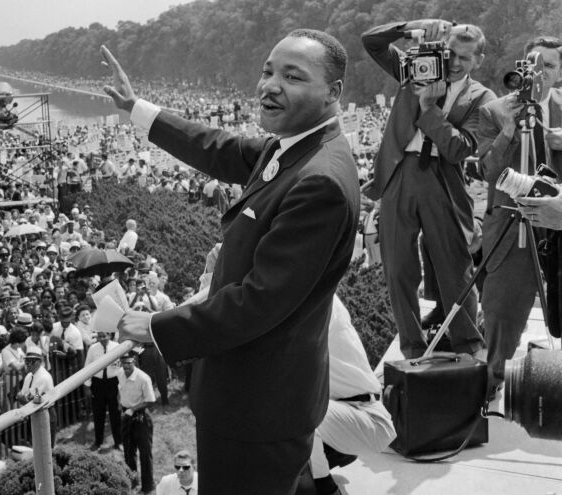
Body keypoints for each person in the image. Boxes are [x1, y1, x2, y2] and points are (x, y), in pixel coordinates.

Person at [105, 27, 360, 494]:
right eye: (267, 71)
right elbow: (218, 147)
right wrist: (136, 108)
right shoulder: (295, 147)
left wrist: (159, 326)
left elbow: (259, 301)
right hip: (251, 395)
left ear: (333, 92)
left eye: (292, 76)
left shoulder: (319, 180)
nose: (271, 85)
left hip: (259, 407)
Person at [361, 19, 493, 359]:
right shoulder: (415, 68)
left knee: (455, 268)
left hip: (443, 180)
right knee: (398, 268)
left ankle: (468, 346)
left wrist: (428, 109)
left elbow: (460, 149)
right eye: (451, 53)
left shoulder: (482, 98)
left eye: (465, 57)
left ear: (478, 60)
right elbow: (372, 42)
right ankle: (412, 348)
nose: (455, 62)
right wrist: (412, 27)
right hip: (398, 173)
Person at [478, 36, 562, 394]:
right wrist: (510, 130)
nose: (540, 72)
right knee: (502, 308)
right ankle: (492, 381)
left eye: (550, 65)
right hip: (511, 221)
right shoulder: (495, 111)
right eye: (534, 62)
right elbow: (488, 171)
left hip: (559, 219)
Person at [310, 295, 396, 494]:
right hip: (342, 411)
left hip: (366, 416)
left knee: (296, 409)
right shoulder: (308, 292)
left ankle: (325, 488)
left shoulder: (317, 303)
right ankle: (326, 455)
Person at [117, 352, 155, 493]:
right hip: (126, 416)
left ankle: (148, 487)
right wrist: (120, 404)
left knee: (145, 453)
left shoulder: (143, 378)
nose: (126, 366)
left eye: (129, 362)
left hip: (141, 417)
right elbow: (120, 389)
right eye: (123, 362)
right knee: (128, 452)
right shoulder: (120, 374)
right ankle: (132, 483)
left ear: (135, 361)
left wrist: (133, 409)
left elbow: (151, 401)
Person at [84, 331, 122, 451]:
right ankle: (98, 441)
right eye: (100, 336)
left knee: (115, 413)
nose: (102, 338)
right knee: (98, 414)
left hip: (113, 383)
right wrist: (87, 386)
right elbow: (88, 367)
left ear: (109, 336)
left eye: (104, 336)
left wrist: (121, 387)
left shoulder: (117, 347)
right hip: (98, 384)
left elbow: (120, 368)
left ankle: (118, 442)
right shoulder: (93, 349)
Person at [15, 349, 56, 445]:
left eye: (32, 361)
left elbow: (34, 402)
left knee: (46, 446)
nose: (28, 364)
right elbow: (24, 395)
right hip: (34, 413)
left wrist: (21, 399)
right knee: (35, 444)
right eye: (26, 361)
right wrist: (22, 398)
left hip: (46, 413)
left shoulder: (43, 377)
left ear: (39, 362)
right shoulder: (29, 376)